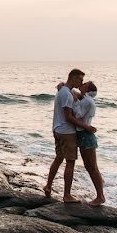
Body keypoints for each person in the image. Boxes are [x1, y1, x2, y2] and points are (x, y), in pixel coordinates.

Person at [42, 68, 97, 202]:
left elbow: (78, 95)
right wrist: (86, 127)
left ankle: (48, 186)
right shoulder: (66, 94)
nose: (81, 82)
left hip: (57, 128)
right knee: (70, 162)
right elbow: (69, 117)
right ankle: (67, 195)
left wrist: (61, 85)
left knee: (59, 158)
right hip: (67, 131)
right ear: (73, 78)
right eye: (80, 79)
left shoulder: (64, 91)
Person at [72, 81, 105, 206]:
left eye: (85, 84)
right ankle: (100, 188)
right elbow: (74, 92)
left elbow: (79, 114)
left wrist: (74, 101)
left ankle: (100, 196)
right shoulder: (86, 98)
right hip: (84, 135)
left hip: (85, 135)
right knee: (90, 166)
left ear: (88, 89)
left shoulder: (87, 101)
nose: (82, 84)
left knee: (91, 167)